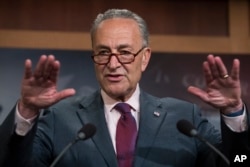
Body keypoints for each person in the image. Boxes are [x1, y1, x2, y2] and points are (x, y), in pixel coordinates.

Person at [3, 9, 249, 167]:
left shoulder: (186, 119)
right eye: (102, 52)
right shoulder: (59, 119)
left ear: (145, 58)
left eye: (124, 52)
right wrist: (26, 112)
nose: (113, 63)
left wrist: (233, 113)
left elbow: (238, 162)